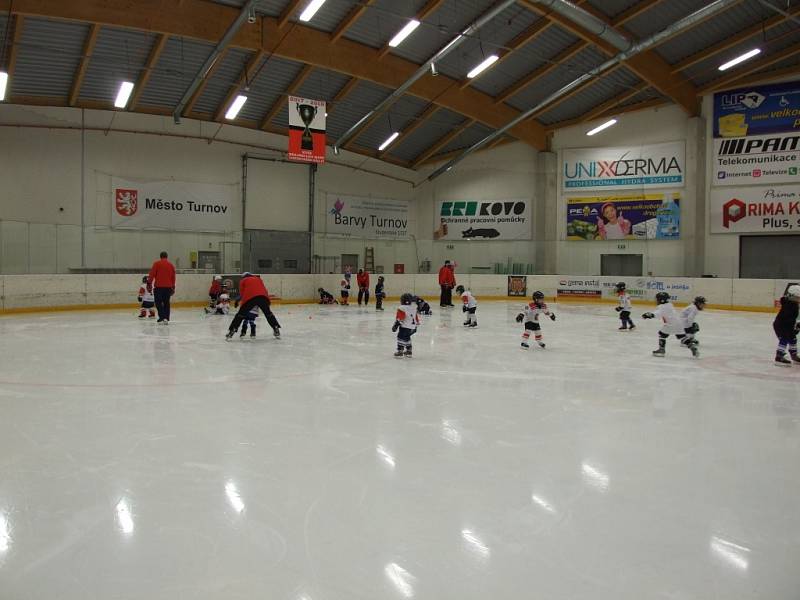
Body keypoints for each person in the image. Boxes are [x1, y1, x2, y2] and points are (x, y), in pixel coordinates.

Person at [225, 273, 281, 340]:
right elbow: (263, 290)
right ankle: (275, 328)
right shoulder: (258, 279)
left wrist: (237, 301)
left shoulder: (243, 280)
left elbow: (242, 294)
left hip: (250, 298)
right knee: (268, 313)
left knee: (240, 315)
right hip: (263, 297)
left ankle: (232, 330)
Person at [642, 291, 694, 357]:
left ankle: (661, 350)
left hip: (670, 324)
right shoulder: (669, 304)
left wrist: (650, 315)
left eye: (657, 299)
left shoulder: (662, 306)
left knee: (662, 335)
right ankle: (692, 346)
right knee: (682, 337)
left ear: (661, 300)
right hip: (679, 324)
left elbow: (658, 313)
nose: (656, 301)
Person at [773, 284, 800, 366]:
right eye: (798, 297)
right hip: (781, 325)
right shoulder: (790, 306)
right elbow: (787, 320)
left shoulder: (793, 304)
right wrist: (795, 327)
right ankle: (779, 356)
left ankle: (794, 355)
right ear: (793, 296)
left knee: (793, 339)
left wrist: (796, 326)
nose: (799, 299)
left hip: (787, 325)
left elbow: (793, 320)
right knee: (784, 338)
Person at [147, 251, 176, 324]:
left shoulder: (157, 264)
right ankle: (166, 318)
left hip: (159, 287)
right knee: (166, 302)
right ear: (167, 256)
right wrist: (173, 286)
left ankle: (162, 317)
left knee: (158, 302)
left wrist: (149, 283)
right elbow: (173, 277)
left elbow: (152, 274)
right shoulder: (171, 265)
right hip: (168, 287)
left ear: (160, 257)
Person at [392, 293, 419, 358]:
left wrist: (395, 325)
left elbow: (400, 318)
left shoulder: (402, 308)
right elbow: (416, 318)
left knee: (400, 337)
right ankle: (409, 351)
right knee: (407, 337)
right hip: (413, 328)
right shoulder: (413, 308)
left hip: (405, 327)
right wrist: (416, 325)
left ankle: (400, 351)